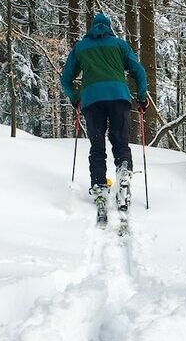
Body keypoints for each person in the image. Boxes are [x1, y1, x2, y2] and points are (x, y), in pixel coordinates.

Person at [60, 12, 148, 212]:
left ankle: (99, 186)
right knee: (120, 142)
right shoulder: (120, 45)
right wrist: (142, 97)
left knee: (97, 146)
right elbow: (139, 71)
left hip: (92, 101)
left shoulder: (81, 47)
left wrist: (75, 98)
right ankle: (124, 173)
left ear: (92, 27)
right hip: (119, 98)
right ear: (109, 27)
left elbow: (65, 79)